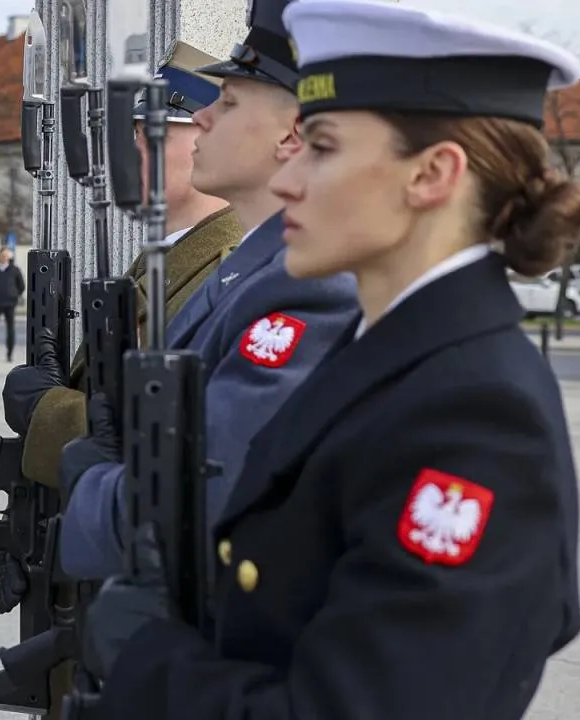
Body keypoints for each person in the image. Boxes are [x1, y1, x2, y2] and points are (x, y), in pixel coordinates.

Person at [85, 2, 580, 717]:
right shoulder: (391, 358)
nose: (290, 180)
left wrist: (157, 666)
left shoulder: (478, 414)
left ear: (432, 175)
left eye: (322, 147)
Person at [56, 0, 360, 580]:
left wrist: (90, 472)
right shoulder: (249, 271)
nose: (204, 117)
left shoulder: (304, 289)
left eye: (230, 101)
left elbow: (202, 493)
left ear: (292, 134)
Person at [3, 40, 242, 490]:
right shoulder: (162, 259)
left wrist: (48, 410)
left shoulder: (227, 273)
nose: (132, 149)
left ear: (208, 137)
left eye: (151, 132)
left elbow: (176, 436)